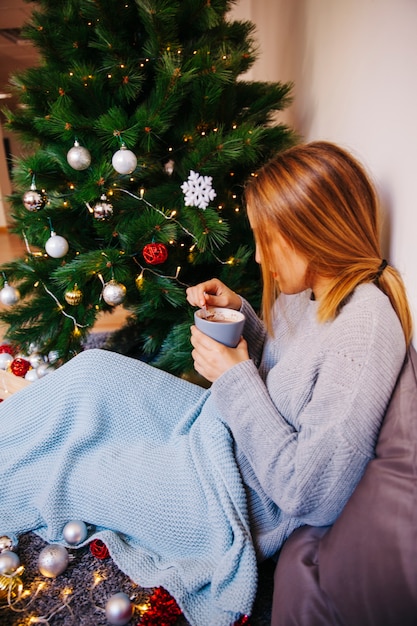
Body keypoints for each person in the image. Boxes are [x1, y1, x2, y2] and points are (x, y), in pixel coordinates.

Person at [0, 141, 412, 626]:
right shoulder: (321, 286)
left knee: (73, 470)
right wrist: (242, 314)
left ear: (313, 233)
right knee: (95, 373)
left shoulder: (364, 329)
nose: (260, 255)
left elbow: (312, 493)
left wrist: (233, 375)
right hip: (215, 429)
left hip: (223, 496)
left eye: (270, 240)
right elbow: (288, 371)